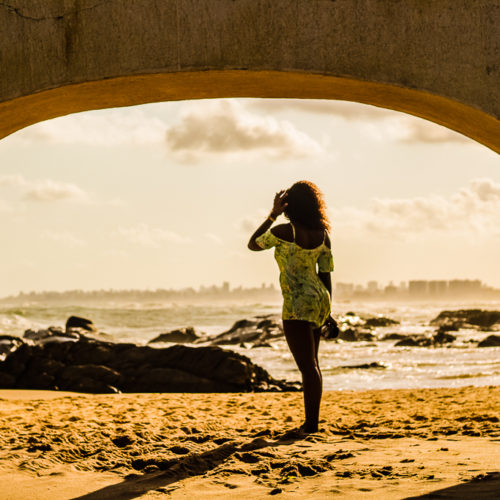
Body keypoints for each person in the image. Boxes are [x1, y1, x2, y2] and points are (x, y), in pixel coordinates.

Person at [248, 180, 334, 433]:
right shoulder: (323, 235)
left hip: (297, 302)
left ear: (289, 205)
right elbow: (326, 273)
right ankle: (312, 423)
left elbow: (253, 244)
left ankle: (310, 426)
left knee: (308, 367)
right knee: (313, 364)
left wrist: (271, 215)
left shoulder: (285, 231)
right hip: (319, 298)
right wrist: (327, 310)